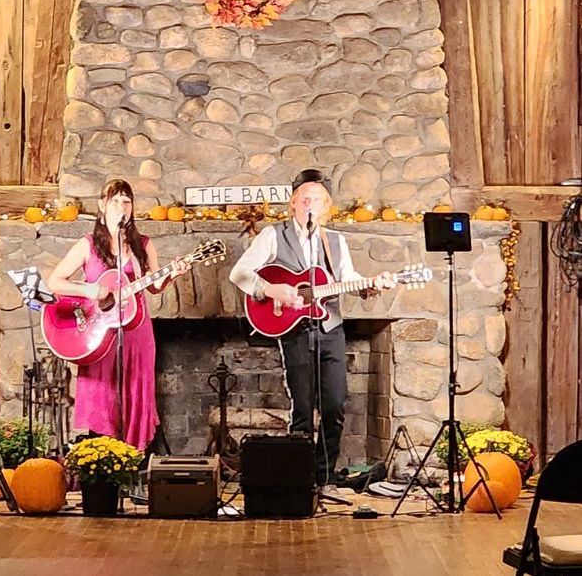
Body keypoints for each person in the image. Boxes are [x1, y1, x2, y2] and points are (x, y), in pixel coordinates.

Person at [229, 169, 396, 497]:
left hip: (330, 328)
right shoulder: (273, 235)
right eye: (304, 199)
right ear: (292, 203)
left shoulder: (335, 241)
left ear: (325, 206)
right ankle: (300, 482)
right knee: (303, 410)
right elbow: (240, 272)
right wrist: (271, 289)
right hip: (294, 331)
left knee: (334, 406)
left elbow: (347, 278)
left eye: (316, 200)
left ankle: (325, 478)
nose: (310, 205)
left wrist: (372, 285)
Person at [47, 179, 190, 451]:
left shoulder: (143, 245)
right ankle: (103, 464)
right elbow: (55, 281)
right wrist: (91, 290)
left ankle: (133, 462)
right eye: (115, 201)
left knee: (134, 393)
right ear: (102, 205)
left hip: (136, 334)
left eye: (127, 201)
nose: (122, 206)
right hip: (99, 335)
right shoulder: (87, 245)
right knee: (103, 395)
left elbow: (155, 285)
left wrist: (172, 275)